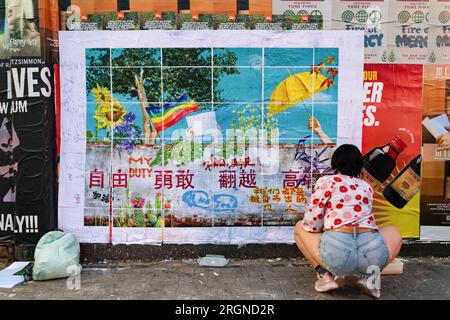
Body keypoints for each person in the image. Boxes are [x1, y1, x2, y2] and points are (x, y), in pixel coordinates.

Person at [294, 144, 402, 298]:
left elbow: (311, 222)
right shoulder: (366, 186)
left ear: (335, 163)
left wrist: (326, 229)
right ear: (361, 165)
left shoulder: (326, 181)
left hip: (338, 256)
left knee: (299, 227)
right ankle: (370, 278)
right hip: (371, 255)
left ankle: (324, 276)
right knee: (394, 232)